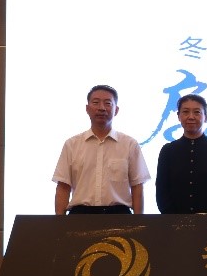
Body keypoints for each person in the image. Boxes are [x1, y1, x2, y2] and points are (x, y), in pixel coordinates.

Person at [53, 84, 150, 215]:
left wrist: (139, 223)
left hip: (119, 215)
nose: (101, 108)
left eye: (108, 103)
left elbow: (137, 187)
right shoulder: (72, 144)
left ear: (116, 110)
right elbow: (63, 187)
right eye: (96, 102)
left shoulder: (129, 144)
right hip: (80, 216)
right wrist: (59, 223)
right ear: (87, 109)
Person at [155, 94, 207, 214]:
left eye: (197, 112)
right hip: (173, 221)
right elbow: (161, 189)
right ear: (178, 116)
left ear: (205, 117)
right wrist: (171, 217)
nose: (191, 117)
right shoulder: (168, 150)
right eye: (185, 112)